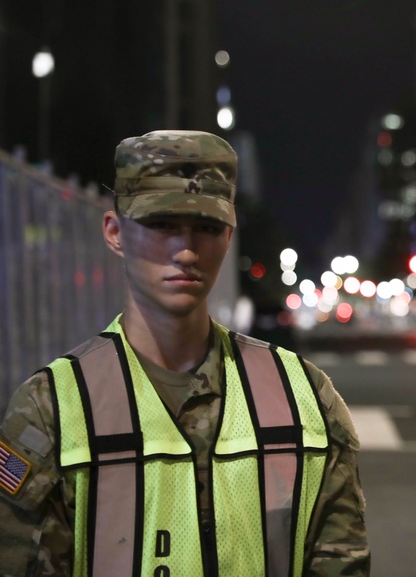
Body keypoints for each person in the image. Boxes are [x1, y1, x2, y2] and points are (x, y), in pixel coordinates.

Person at [0, 130, 370, 576]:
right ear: (114, 232)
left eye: (207, 227)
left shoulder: (304, 399)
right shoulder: (49, 410)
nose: (187, 249)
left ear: (229, 236)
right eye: (162, 225)